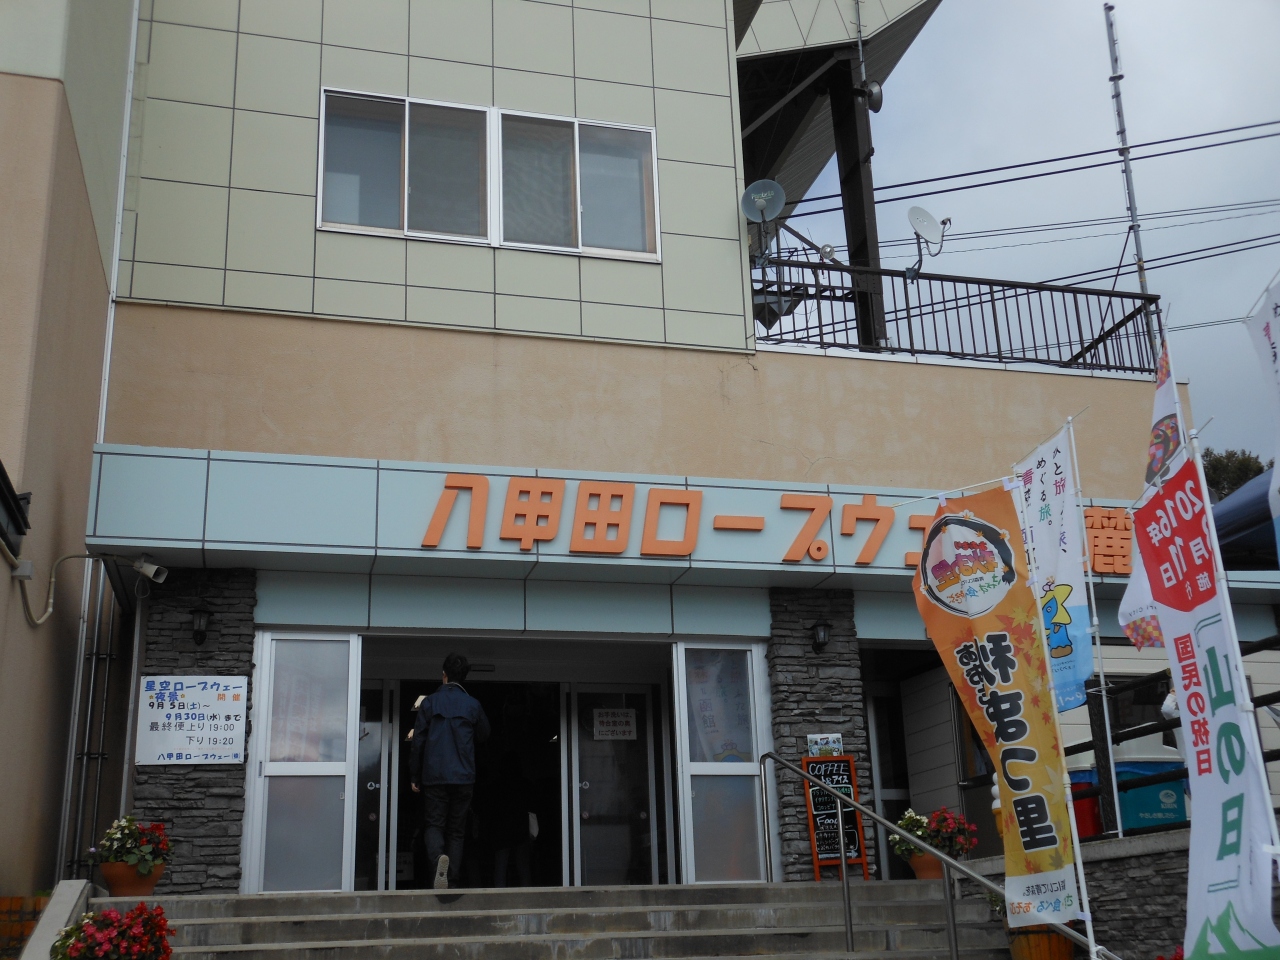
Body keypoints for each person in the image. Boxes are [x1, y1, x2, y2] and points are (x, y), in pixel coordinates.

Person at [409, 652, 490, 889]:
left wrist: (414, 775)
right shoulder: (472, 704)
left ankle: (438, 862)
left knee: (434, 825)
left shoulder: (429, 703)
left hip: (434, 777)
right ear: (463, 677)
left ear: (444, 675)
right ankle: (451, 880)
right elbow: (485, 734)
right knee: (456, 830)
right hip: (463, 777)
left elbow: (417, 742)